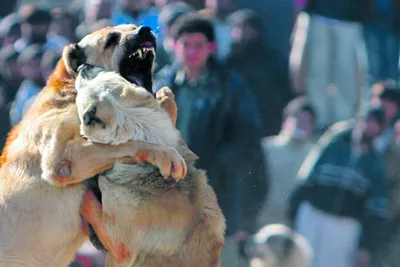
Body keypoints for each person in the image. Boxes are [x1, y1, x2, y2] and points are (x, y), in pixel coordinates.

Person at [153, 13, 266, 267]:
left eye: (199, 45)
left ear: (212, 48)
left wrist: (210, 164)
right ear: (173, 45)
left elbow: (248, 144)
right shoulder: (162, 87)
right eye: (186, 44)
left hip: (217, 197)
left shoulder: (232, 89)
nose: (192, 52)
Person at [288, 106, 389, 267]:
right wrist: (292, 214)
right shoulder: (335, 142)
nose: (369, 126)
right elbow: (307, 178)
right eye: (367, 120)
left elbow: (376, 210)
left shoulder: (375, 164)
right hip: (312, 215)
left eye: (376, 123)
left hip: (344, 228)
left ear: (380, 130)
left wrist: (365, 247)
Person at [290, 0, 372, 131]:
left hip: (349, 17)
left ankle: (344, 126)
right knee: (317, 73)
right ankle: (318, 122)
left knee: (347, 75)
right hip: (318, 15)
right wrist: (301, 6)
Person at [226, 9, 293, 136]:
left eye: (246, 28)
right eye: (237, 27)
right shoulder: (229, 64)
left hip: (268, 123)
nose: (241, 33)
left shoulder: (273, 61)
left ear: (256, 31)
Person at [258, 96, 316, 227]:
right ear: (286, 121)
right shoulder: (266, 148)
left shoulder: (314, 155)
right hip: (262, 220)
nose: (303, 125)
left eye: (308, 122)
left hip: (293, 225)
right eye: (298, 119)